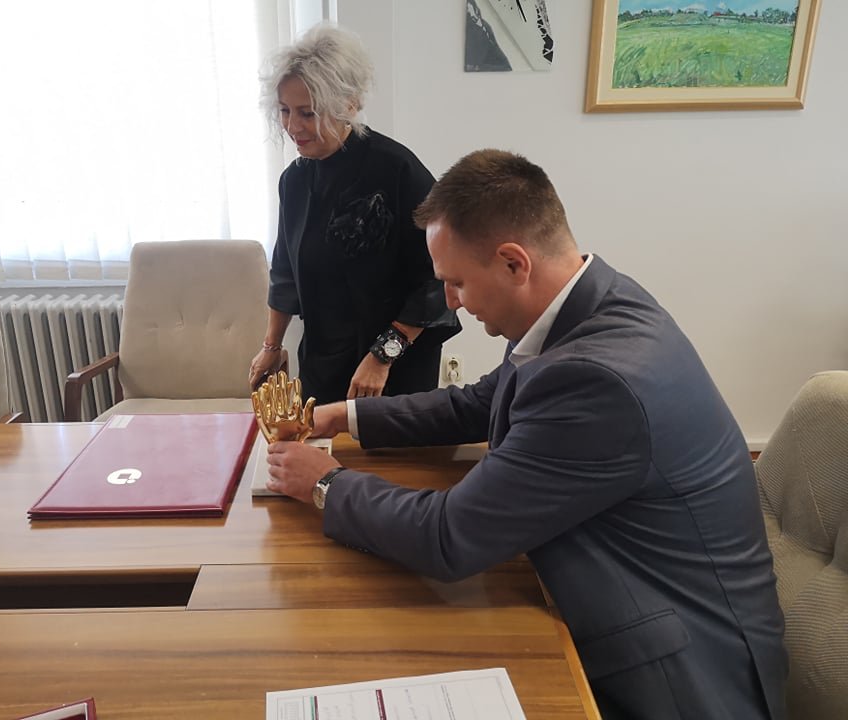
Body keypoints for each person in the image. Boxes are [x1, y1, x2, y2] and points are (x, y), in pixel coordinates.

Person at [264, 150, 788, 719]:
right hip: (621, 591)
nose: (450, 302)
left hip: (677, 678)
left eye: (456, 282)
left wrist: (326, 483)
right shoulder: (589, 302)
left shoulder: (597, 381)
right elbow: (481, 403)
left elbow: (448, 537)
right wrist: (343, 416)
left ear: (514, 263)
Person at [248, 24, 459, 404]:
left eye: (307, 113)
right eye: (284, 110)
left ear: (348, 105)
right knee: (323, 439)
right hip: (324, 358)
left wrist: (382, 356)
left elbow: (437, 280)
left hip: (398, 362)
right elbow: (285, 273)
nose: (293, 126)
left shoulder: (398, 170)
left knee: (392, 442)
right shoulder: (294, 181)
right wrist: (271, 346)